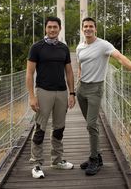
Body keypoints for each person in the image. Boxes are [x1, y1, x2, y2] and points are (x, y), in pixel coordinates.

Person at [76, 17, 131, 176]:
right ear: (82, 29)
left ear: (95, 29)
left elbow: (119, 57)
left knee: (91, 124)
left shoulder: (103, 45)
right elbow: (80, 65)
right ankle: (97, 156)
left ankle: (94, 159)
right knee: (90, 124)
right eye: (85, 26)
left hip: (95, 89)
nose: (88, 29)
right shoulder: (80, 47)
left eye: (91, 26)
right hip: (81, 89)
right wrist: (78, 79)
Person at [26, 16, 76, 179]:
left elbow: (69, 71)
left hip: (61, 92)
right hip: (43, 92)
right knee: (40, 128)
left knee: (59, 128)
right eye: (50, 27)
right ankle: (37, 164)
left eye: (55, 27)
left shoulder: (63, 48)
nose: (52, 30)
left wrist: (71, 93)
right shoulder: (36, 47)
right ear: (45, 29)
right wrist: (32, 96)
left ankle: (57, 160)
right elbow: (29, 73)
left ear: (59, 29)